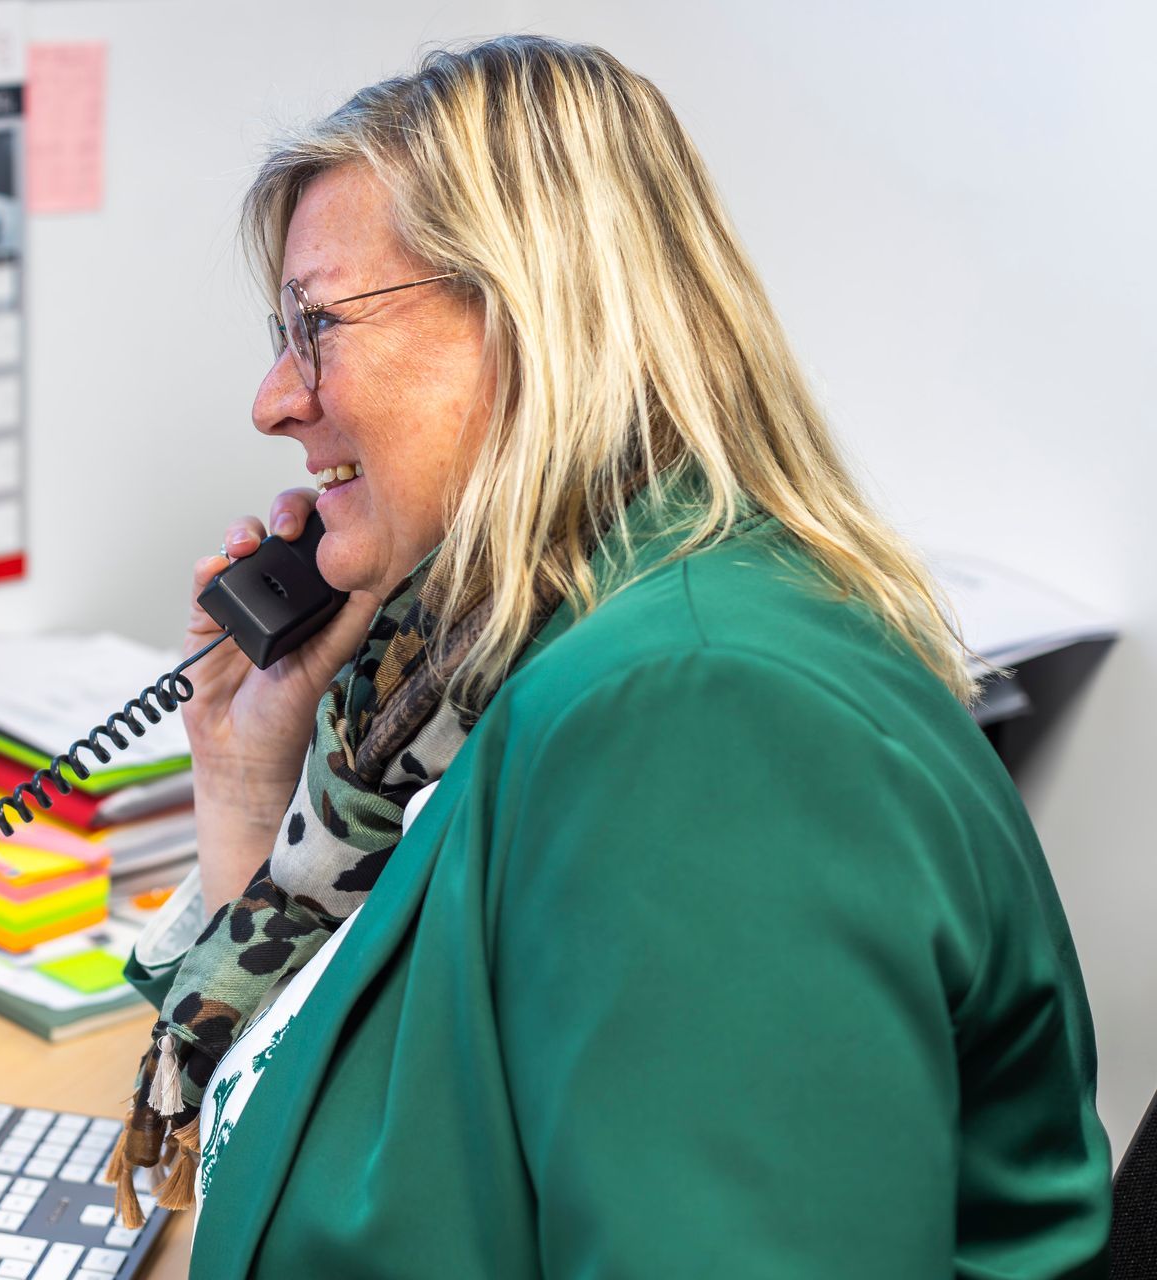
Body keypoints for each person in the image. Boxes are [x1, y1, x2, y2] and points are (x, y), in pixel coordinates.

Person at [114, 36, 1110, 1276]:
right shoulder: (485, 671)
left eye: (320, 325)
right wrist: (248, 780)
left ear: (534, 321)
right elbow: (297, 1099)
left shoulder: (700, 713)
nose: (273, 397)